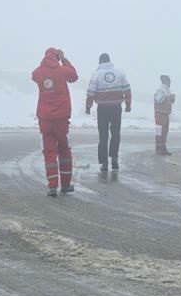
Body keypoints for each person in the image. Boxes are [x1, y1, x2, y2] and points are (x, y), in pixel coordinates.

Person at [31, 48, 79, 197]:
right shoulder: (61, 70)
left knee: (49, 152)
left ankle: (52, 186)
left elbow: (33, 75)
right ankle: (65, 185)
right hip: (61, 119)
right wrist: (64, 59)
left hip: (45, 119)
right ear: (57, 57)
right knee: (64, 150)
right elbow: (74, 76)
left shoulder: (38, 72)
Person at [86, 53, 131, 172]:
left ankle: (104, 163)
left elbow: (91, 91)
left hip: (103, 109)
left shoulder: (97, 74)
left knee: (103, 136)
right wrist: (128, 104)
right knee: (116, 134)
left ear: (100, 62)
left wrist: (88, 106)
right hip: (116, 107)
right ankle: (114, 158)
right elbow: (127, 88)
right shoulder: (119, 72)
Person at [154, 75, 176, 155]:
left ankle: (163, 148)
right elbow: (158, 100)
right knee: (159, 132)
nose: (169, 82)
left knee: (165, 132)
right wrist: (169, 99)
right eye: (168, 80)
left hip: (165, 113)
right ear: (164, 81)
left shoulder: (167, 90)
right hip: (159, 114)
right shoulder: (161, 90)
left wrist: (171, 99)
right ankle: (159, 149)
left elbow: (170, 102)